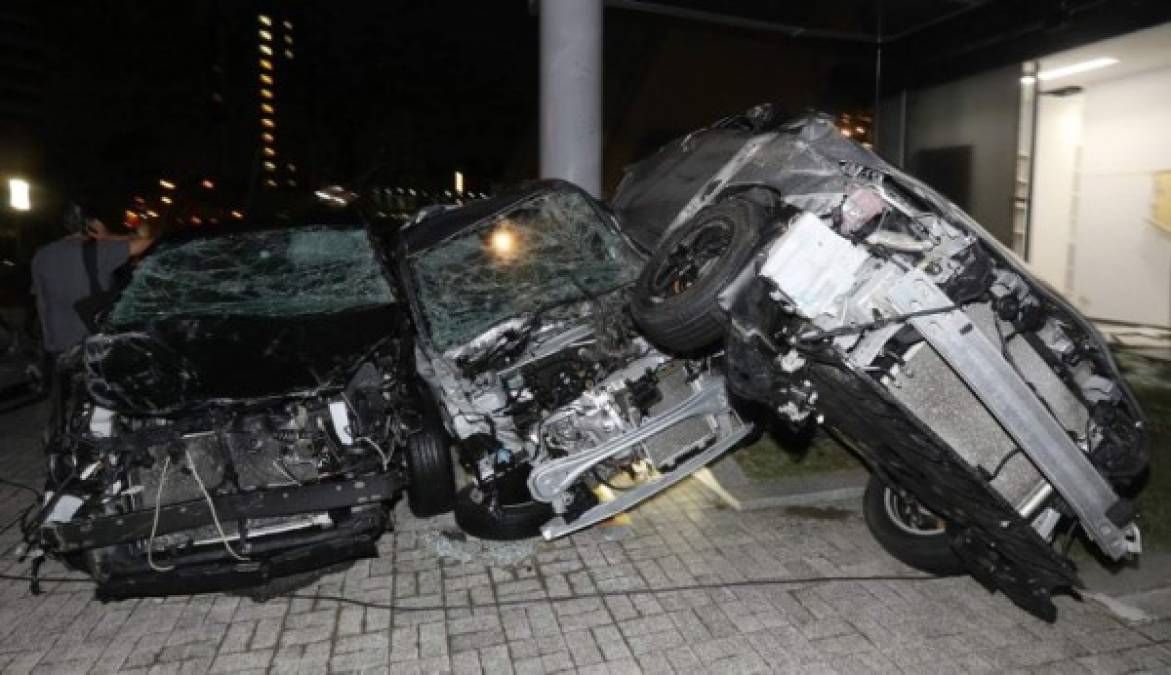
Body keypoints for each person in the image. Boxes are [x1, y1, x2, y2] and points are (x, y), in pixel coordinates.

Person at [30, 207, 153, 357]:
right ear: (89, 226)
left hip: (55, 346)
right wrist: (108, 236)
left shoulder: (40, 255)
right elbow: (147, 242)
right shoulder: (99, 251)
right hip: (90, 348)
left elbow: (40, 299)